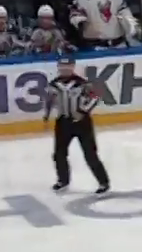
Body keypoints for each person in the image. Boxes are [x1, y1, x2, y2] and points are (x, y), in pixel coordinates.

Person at [43, 55, 110, 194]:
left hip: (82, 123)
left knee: (90, 154)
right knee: (59, 154)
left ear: (73, 67)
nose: (65, 69)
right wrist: (46, 117)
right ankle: (63, 180)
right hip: (63, 122)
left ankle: (103, 182)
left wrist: (83, 112)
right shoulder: (53, 85)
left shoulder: (82, 83)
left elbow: (95, 97)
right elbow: (49, 101)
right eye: (62, 67)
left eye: (67, 67)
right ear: (58, 68)